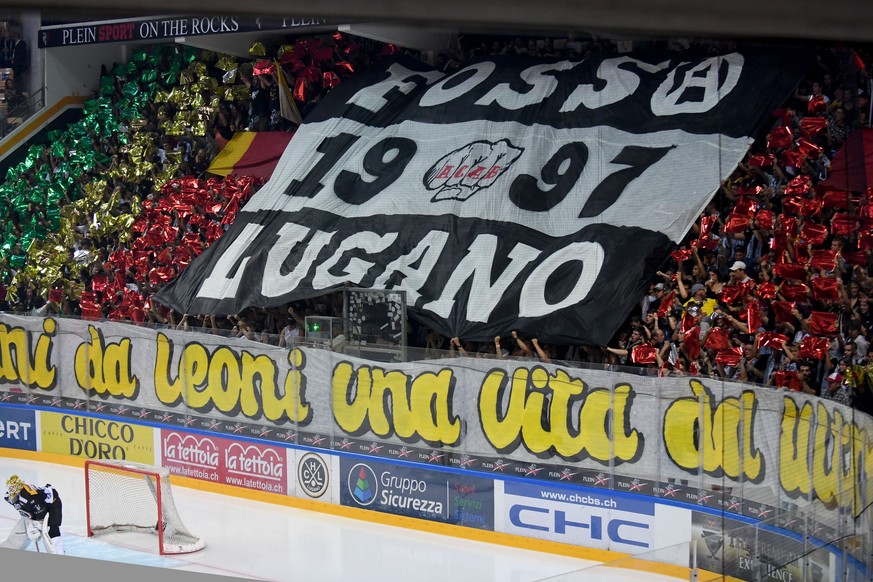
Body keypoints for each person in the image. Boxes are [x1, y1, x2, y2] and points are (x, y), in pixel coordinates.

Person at [1, 475, 64, 554]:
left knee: (52, 528)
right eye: (9, 487)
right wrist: (30, 524)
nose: (11, 490)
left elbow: (42, 512)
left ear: (18, 486)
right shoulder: (9, 497)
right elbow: (25, 511)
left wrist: (37, 525)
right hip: (40, 504)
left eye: (13, 487)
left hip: (53, 503)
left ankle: (59, 552)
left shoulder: (28, 496)